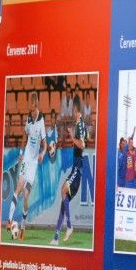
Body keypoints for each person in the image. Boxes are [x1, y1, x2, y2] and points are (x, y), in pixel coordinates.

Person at [6, 92, 46, 239]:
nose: (29, 106)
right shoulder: (28, 119)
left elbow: (45, 143)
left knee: (26, 194)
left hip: (34, 163)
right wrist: (22, 152)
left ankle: (22, 226)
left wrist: (43, 153)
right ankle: (9, 221)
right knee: (18, 187)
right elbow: (25, 135)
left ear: (35, 104)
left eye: (30, 103)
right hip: (26, 160)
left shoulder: (41, 120)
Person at [50, 95, 86, 245]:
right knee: (63, 202)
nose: (72, 112)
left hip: (77, 169)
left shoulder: (80, 125)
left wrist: (72, 137)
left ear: (77, 110)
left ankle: (70, 226)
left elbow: (82, 145)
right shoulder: (78, 124)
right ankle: (56, 238)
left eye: (73, 110)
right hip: (75, 169)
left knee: (63, 190)